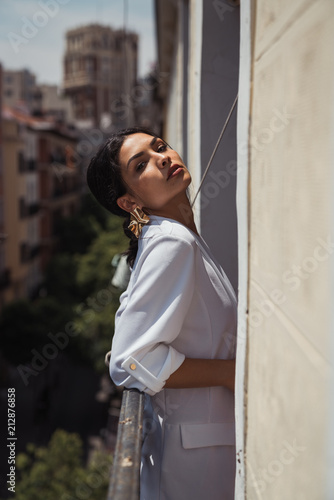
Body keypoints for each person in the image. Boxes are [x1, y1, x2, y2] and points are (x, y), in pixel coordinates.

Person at [86, 127, 237, 500]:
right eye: (141, 165)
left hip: (199, 443)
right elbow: (129, 361)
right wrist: (232, 373)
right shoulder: (171, 242)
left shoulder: (175, 236)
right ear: (129, 202)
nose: (163, 158)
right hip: (197, 461)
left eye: (160, 147)